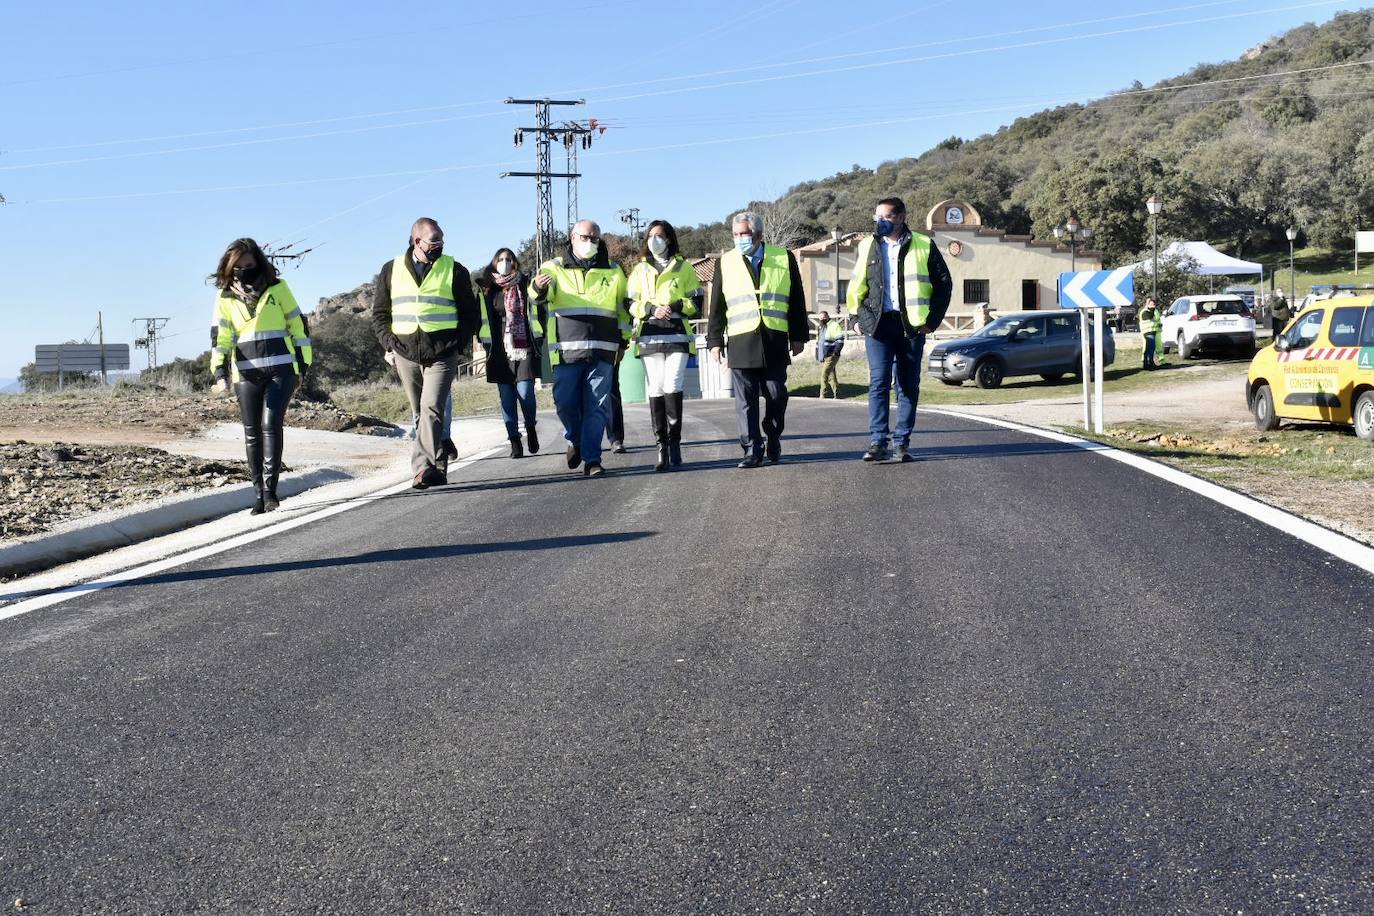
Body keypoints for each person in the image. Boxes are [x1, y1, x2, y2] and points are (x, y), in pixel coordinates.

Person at [370, 218, 479, 489]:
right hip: (406, 352)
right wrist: (389, 344)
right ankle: (438, 466)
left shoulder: (454, 269)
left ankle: (421, 469)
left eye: (441, 241)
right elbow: (380, 314)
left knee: (432, 407)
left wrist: (458, 344)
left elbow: (469, 313)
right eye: (434, 241)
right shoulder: (391, 269)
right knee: (420, 412)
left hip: (443, 353)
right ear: (417, 241)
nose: (439, 245)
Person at [209, 238, 313, 515]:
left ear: (259, 263)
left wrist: (303, 363)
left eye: (250, 265)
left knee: (271, 425)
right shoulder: (225, 298)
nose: (245, 270)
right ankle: (257, 493)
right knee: (252, 432)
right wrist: (219, 371)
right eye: (239, 267)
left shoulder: (279, 288)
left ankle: (270, 492)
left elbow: (297, 324)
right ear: (230, 268)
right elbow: (221, 337)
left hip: (281, 369)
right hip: (245, 373)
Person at [846, 196, 953, 463]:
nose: (880, 221)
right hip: (878, 324)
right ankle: (877, 441)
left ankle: (901, 442)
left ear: (901, 217)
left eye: (887, 217)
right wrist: (855, 319)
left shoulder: (923, 244)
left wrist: (933, 319)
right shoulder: (868, 245)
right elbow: (857, 284)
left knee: (906, 385)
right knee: (878, 383)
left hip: (912, 326)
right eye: (877, 217)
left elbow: (944, 283)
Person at [706, 211, 809, 468]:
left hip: (774, 339)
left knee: (776, 394)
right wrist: (715, 340)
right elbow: (716, 305)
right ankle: (751, 448)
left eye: (745, 234)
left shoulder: (783, 258)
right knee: (745, 400)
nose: (740, 239)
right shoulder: (725, 262)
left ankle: (772, 436)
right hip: (741, 341)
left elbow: (797, 299)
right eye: (736, 235)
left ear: (760, 235)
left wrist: (798, 336)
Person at [529, 219, 630, 478]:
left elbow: (623, 309)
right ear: (572, 238)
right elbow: (539, 294)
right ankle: (574, 439)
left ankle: (592, 459)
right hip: (566, 351)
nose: (590, 242)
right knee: (565, 402)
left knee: (597, 405)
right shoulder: (554, 267)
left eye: (594, 238)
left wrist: (624, 339)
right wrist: (537, 288)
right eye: (584, 237)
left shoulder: (614, 271)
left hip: (603, 349)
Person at [627, 220, 703, 472]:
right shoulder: (639, 270)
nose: (654, 240)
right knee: (656, 386)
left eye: (659, 236)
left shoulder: (684, 268)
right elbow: (630, 303)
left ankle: (675, 443)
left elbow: (696, 303)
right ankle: (661, 445)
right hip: (649, 334)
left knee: (673, 383)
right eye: (650, 236)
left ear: (669, 239)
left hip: (678, 335)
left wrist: (677, 305)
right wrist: (650, 308)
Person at [477, 247, 544, 459]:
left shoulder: (524, 283)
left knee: (526, 394)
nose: (505, 262)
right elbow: (481, 318)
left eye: (508, 259)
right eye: (501, 259)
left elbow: (536, 305)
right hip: (499, 350)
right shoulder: (487, 288)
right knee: (506, 399)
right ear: (494, 263)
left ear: (514, 263)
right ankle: (514, 440)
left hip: (523, 345)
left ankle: (531, 428)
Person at [816, 309, 846, 398]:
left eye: (823, 318)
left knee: (824, 375)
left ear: (828, 317)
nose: (822, 320)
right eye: (820, 318)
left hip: (831, 355)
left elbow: (840, 340)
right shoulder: (821, 327)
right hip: (824, 355)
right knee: (831, 376)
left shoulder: (834, 325)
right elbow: (819, 342)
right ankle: (838, 394)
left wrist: (835, 353)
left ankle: (823, 394)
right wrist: (817, 354)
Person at [1138, 296, 1162, 370]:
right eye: (1151, 304)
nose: (1153, 306)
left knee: (1151, 349)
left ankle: (1149, 363)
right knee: (1150, 349)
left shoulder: (1152, 311)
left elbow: (1154, 320)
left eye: (1153, 304)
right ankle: (1148, 364)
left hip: (1152, 332)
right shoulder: (1144, 312)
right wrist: (1151, 308)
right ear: (1147, 304)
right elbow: (1150, 317)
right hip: (1147, 333)